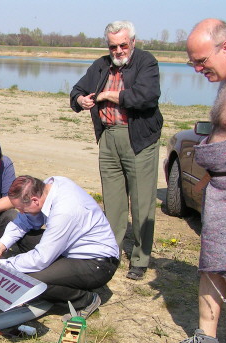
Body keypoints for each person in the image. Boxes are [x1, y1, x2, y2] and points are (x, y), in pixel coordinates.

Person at [160, 19, 226, 343]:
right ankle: (206, 337)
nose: (199, 69)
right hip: (222, 191)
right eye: (193, 64)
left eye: (202, 62)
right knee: (212, 265)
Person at [70, 21, 163, 281]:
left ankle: (140, 260)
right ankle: (110, 252)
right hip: (108, 137)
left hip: (139, 139)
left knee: (143, 203)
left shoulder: (147, 62)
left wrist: (105, 96)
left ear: (132, 42)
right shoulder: (101, 65)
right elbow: (76, 91)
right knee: (113, 203)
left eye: (123, 45)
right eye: (113, 46)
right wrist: (81, 99)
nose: (119, 50)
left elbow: (145, 97)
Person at [0, 175, 119, 317]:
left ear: (34, 200)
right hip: (71, 249)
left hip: (97, 263)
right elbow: (23, 222)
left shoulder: (64, 211)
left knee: (32, 282)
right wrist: (0, 246)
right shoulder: (47, 186)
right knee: (25, 240)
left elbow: (40, 259)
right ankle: (58, 281)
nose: (21, 212)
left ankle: (85, 300)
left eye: (22, 209)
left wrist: (1, 266)